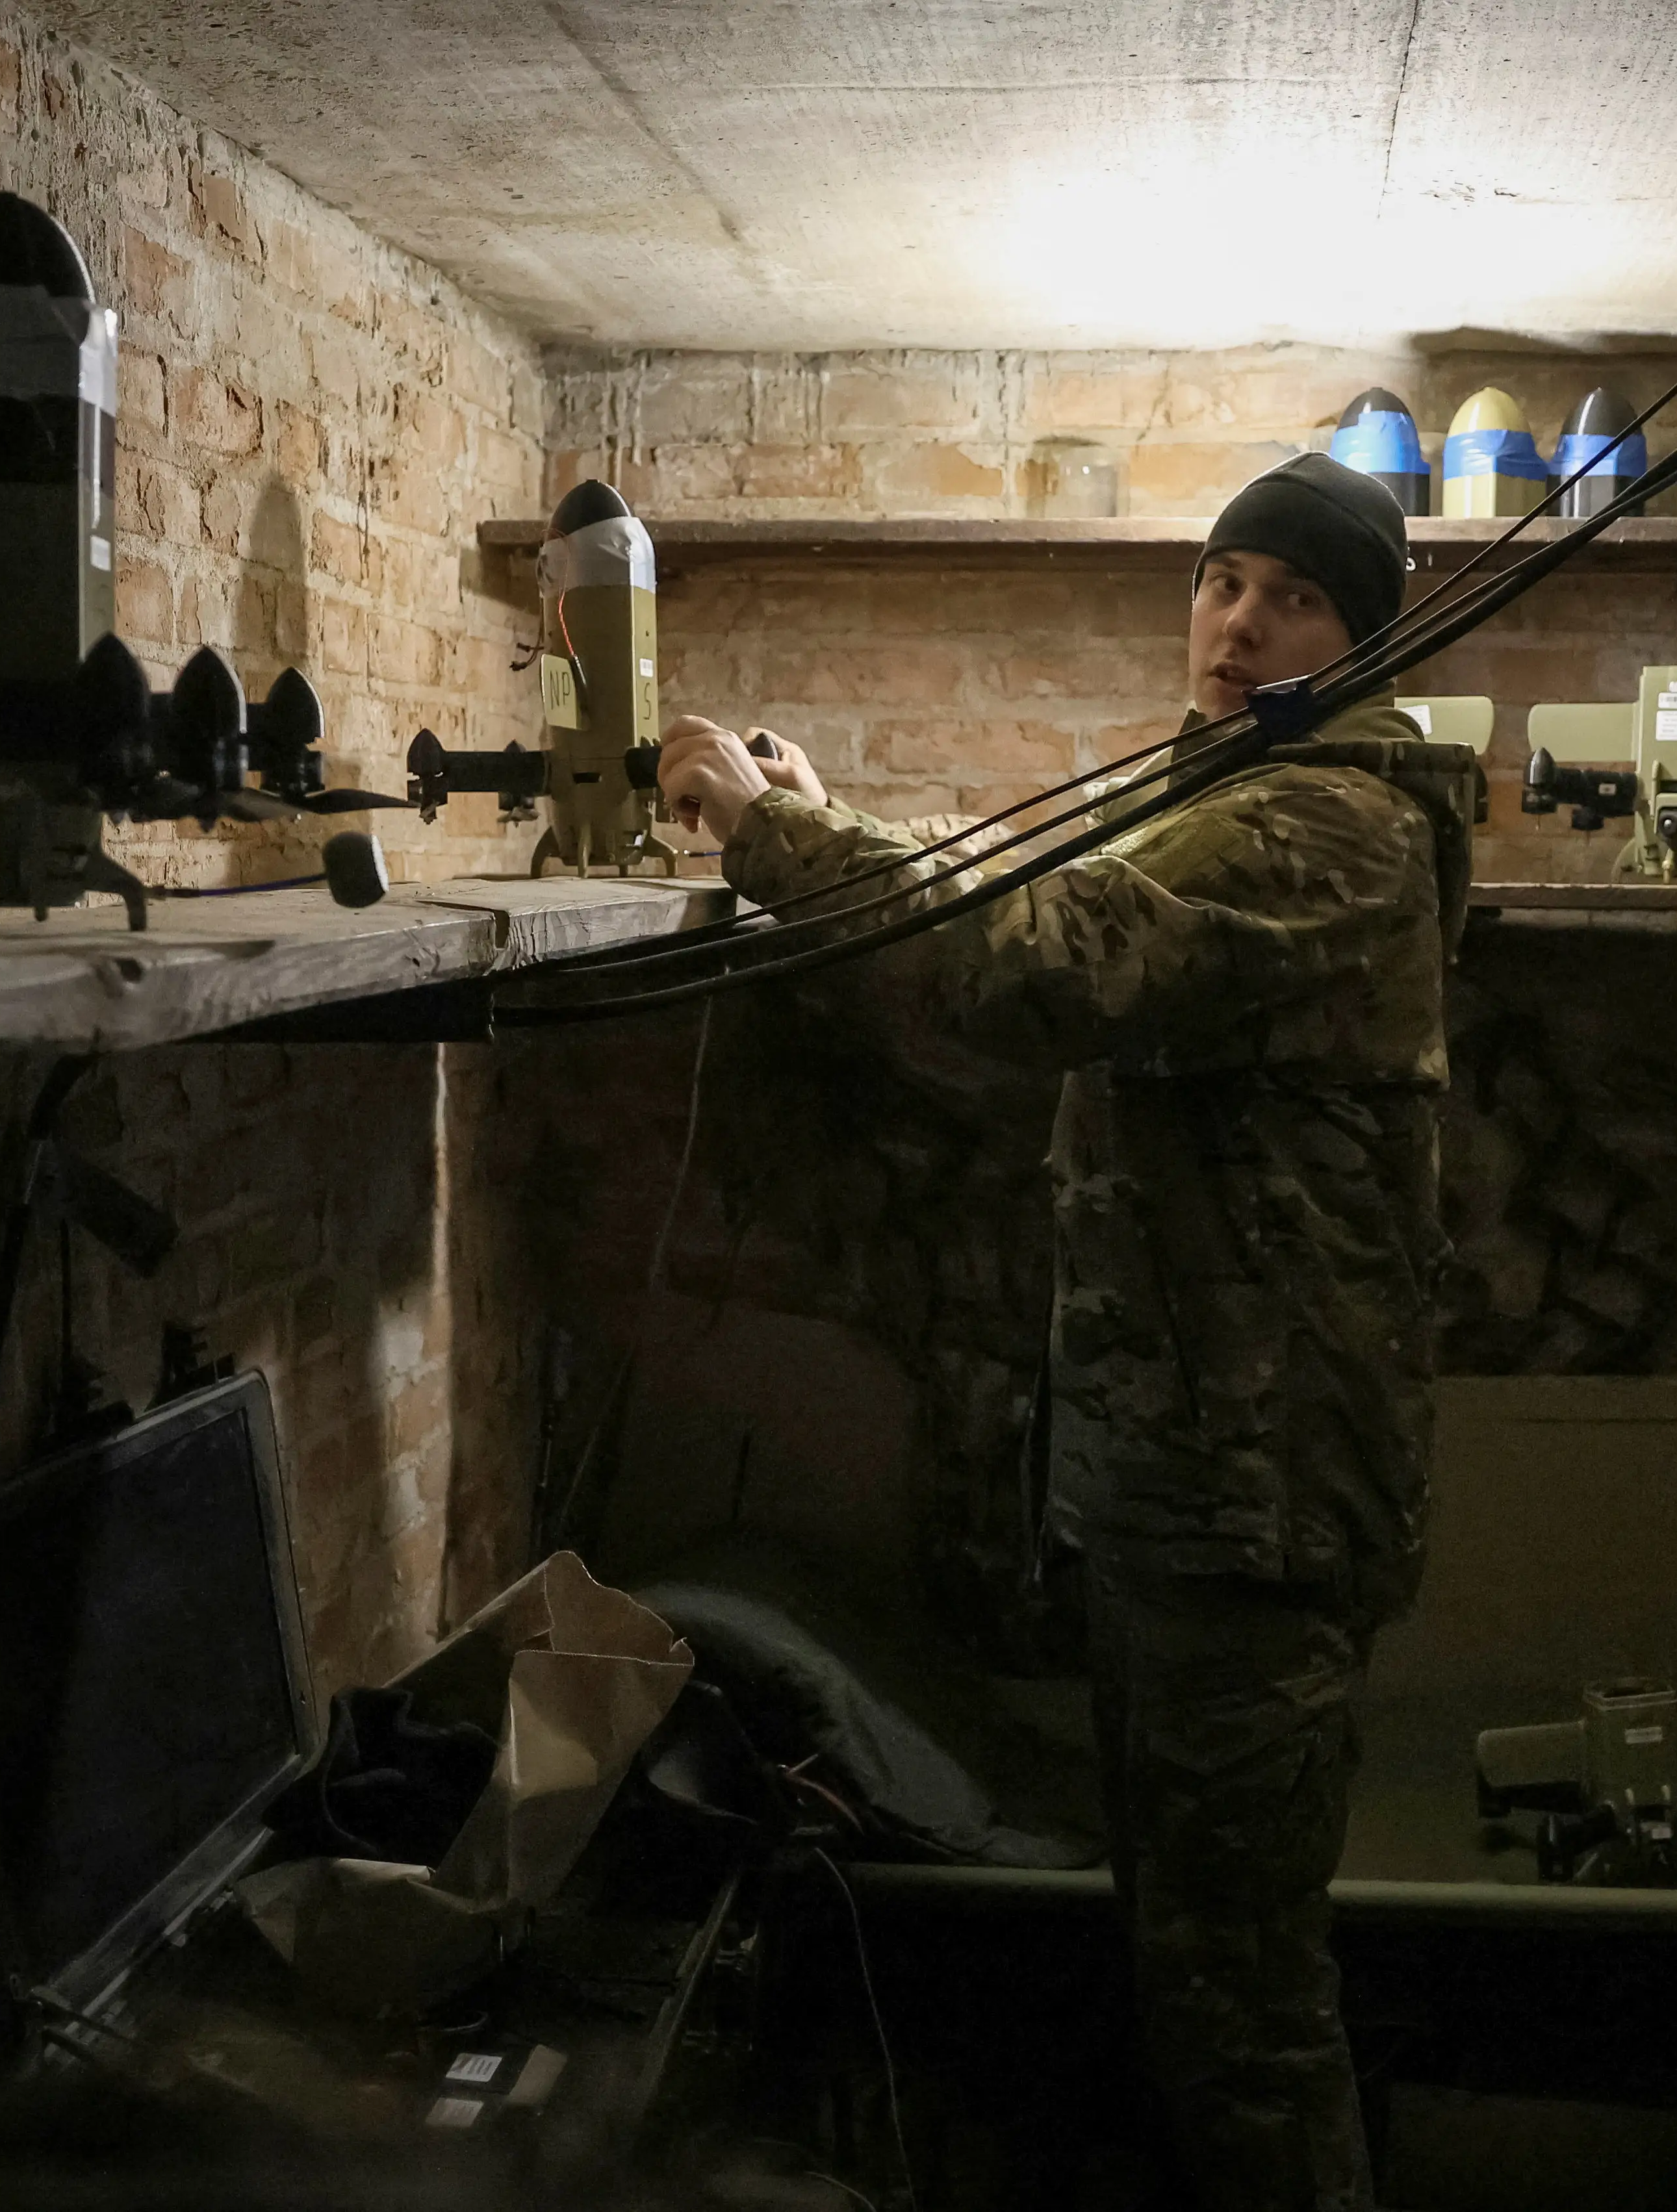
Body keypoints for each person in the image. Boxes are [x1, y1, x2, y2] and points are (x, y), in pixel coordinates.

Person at [659, 453, 1470, 2212]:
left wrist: (781, 832)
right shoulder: (1238, 789)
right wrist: (838, 810)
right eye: (1221, 579)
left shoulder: (1326, 818)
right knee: (1194, 1988)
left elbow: (1037, 964)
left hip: (1249, 1509)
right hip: (1188, 1486)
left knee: (1244, 2020)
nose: (1239, 622)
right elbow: (1043, 922)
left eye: (1295, 597)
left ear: (1366, 637)